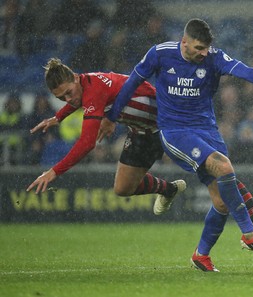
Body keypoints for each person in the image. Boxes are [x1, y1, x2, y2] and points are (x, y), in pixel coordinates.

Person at [98, 18, 253, 272]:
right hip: (175, 131)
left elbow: (244, 70)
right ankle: (250, 234)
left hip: (207, 131)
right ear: (185, 42)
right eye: (199, 48)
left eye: (206, 48)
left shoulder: (214, 57)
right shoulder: (160, 54)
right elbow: (133, 81)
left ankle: (201, 255)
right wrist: (111, 117)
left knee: (222, 202)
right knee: (224, 167)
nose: (204, 53)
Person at [26, 58, 187, 209]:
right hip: (141, 131)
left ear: (75, 77)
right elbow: (78, 98)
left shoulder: (93, 91)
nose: (67, 99)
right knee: (123, 188)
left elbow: (87, 143)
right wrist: (59, 116)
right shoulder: (85, 83)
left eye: (68, 92)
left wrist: (54, 171)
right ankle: (169, 189)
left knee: (203, 162)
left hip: (167, 123)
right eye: (61, 98)